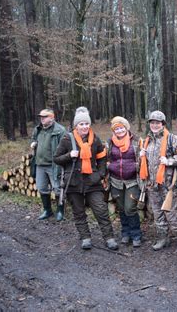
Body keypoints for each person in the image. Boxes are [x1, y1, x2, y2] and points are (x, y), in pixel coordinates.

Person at [54, 107, 118, 251]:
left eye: (86, 124)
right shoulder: (66, 139)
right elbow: (56, 159)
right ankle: (85, 238)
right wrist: (69, 155)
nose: (84, 126)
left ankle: (109, 238)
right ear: (76, 125)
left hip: (92, 182)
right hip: (73, 182)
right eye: (81, 124)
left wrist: (100, 175)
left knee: (101, 210)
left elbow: (102, 159)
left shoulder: (95, 139)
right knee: (79, 212)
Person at [139, 111, 177, 252]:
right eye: (152, 122)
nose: (155, 125)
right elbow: (142, 165)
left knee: (171, 214)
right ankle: (162, 239)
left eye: (158, 123)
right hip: (152, 184)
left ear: (163, 124)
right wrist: (141, 155)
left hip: (168, 185)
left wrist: (169, 161)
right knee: (158, 214)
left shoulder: (171, 139)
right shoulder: (146, 141)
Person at [107, 116, 142, 247]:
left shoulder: (136, 141)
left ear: (126, 128)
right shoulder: (110, 142)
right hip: (116, 181)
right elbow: (106, 157)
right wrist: (108, 166)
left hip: (132, 181)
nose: (119, 130)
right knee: (121, 209)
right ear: (113, 131)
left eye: (121, 128)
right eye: (116, 129)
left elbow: (142, 158)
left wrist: (137, 166)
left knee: (130, 208)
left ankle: (136, 234)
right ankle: (125, 233)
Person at [30, 109, 67, 221]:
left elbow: (65, 147)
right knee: (42, 187)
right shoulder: (38, 129)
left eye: (45, 116)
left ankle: (60, 211)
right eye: (41, 116)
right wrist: (33, 143)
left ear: (52, 117)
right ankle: (47, 210)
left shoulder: (60, 130)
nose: (42, 118)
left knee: (57, 189)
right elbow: (34, 139)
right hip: (40, 164)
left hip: (54, 165)